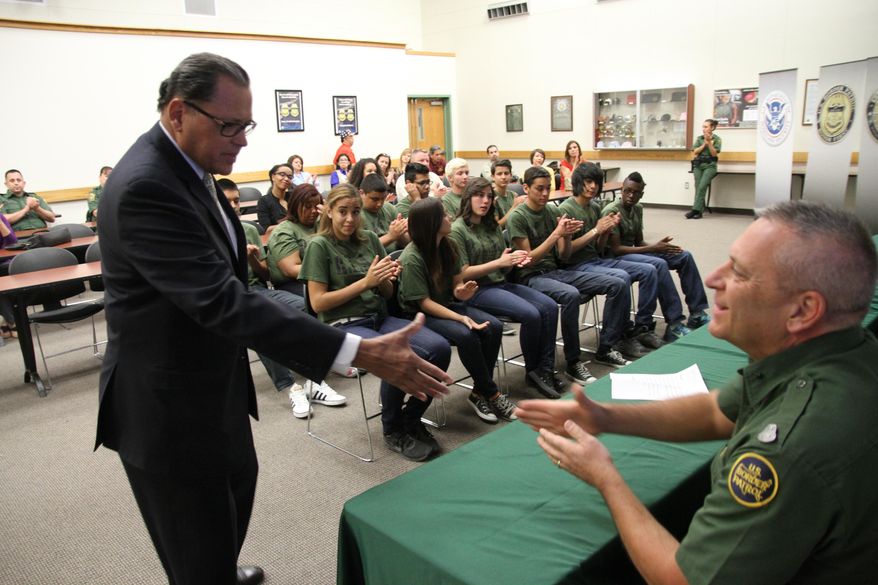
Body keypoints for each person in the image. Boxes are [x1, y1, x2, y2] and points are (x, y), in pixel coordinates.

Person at [93, 52, 450, 585]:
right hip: (166, 405)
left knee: (233, 495)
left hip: (212, 384)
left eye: (247, 125)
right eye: (229, 125)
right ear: (177, 113)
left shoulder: (193, 167)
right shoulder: (148, 185)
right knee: (195, 545)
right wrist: (356, 350)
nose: (241, 139)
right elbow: (222, 299)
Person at [517, 200, 878, 585]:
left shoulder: (788, 448)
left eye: (740, 273)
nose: (714, 279)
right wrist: (605, 417)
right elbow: (717, 412)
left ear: (803, 310)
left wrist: (605, 477)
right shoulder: (842, 352)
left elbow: (684, 580)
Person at [300, 184, 451, 461]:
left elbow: (388, 293)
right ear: (329, 211)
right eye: (342, 211)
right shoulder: (318, 246)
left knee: (439, 348)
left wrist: (383, 281)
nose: (349, 218)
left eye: (355, 212)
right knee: (395, 354)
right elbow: (318, 303)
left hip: (378, 317)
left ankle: (410, 417)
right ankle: (392, 428)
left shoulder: (369, 239)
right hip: (341, 326)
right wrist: (366, 282)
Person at [219, 178, 345, 418]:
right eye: (228, 202)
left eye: (236, 200)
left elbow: (265, 273)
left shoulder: (248, 230)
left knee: (305, 306)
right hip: (227, 295)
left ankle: (313, 378)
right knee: (257, 320)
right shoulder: (208, 233)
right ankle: (291, 386)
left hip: (256, 289)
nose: (235, 206)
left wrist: (252, 259)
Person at [399, 197, 516, 423]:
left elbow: (456, 284)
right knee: (467, 335)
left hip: (445, 304)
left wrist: (461, 292)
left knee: (494, 327)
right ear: (431, 223)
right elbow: (424, 303)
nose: (449, 217)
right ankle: (491, 393)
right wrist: (461, 317)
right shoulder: (412, 257)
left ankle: (479, 392)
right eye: (443, 215)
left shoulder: (447, 244)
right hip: (419, 316)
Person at [449, 177, 563, 399]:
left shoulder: (491, 225)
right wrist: (499, 263)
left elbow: (503, 259)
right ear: (468, 198)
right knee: (531, 314)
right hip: (476, 290)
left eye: (489, 197)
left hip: (500, 283)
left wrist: (514, 259)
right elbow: (461, 273)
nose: (485, 201)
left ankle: (545, 369)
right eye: (479, 196)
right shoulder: (458, 229)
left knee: (549, 307)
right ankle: (533, 371)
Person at [506, 166, 617, 385]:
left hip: (557, 272)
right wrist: (556, 234)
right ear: (526, 188)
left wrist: (565, 237)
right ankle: (573, 362)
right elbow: (528, 260)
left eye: (548, 188)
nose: (545, 194)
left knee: (616, 283)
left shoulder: (553, 211)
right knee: (570, 295)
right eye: (539, 189)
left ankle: (608, 347)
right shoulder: (517, 217)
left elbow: (565, 256)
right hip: (531, 276)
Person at [559, 163, 666, 355]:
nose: (592, 187)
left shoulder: (594, 207)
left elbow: (599, 249)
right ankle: (612, 341)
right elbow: (565, 254)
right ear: (578, 182)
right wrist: (595, 231)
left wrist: (606, 232)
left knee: (649, 269)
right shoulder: (567, 209)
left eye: (596, 183)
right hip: (576, 266)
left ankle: (642, 328)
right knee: (620, 279)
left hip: (596, 260)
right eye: (588, 182)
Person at [602, 172, 710, 332]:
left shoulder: (637, 208)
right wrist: (653, 248)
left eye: (636, 192)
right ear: (622, 190)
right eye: (627, 191)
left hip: (634, 253)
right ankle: (674, 323)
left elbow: (639, 242)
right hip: (616, 257)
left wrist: (661, 247)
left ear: (641, 194)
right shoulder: (611, 210)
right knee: (658, 264)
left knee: (684, 256)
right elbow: (616, 250)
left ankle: (697, 313)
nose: (631, 195)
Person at [358, 173, 408, 253]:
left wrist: (401, 232)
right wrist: (391, 236)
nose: (379, 204)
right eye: (375, 199)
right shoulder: (355, 215)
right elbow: (363, 250)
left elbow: (407, 243)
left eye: (383, 198)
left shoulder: (389, 208)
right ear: (361, 193)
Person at [687, 119, 721, 219]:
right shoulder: (699, 138)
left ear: (712, 128)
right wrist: (704, 144)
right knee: (698, 187)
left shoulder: (717, 139)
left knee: (702, 187)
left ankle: (695, 210)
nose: (704, 128)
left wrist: (709, 143)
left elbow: (714, 153)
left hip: (710, 166)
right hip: (698, 165)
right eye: (703, 126)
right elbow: (695, 152)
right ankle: (698, 211)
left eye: (706, 127)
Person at [256, 163, 292, 231]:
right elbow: (266, 229)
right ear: (273, 177)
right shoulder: (264, 201)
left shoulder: (293, 197)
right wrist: (290, 224)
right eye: (282, 175)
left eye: (290, 177)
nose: (286, 179)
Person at [491, 158, 524, 227]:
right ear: (493, 177)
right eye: (499, 174)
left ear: (511, 175)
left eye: (506, 173)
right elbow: (497, 227)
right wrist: (514, 207)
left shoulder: (514, 195)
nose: (503, 177)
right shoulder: (491, 198)